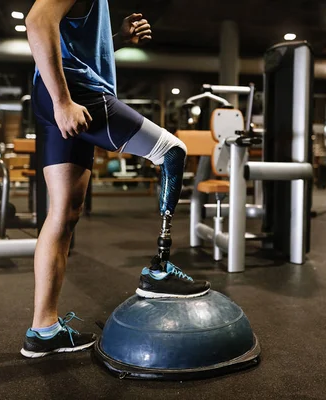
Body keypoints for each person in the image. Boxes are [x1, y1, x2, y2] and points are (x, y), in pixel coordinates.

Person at [21, 0, 210, 358]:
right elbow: (37, 21)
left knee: (65, 212)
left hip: (56, 91)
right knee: (172, 151)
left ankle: (43, 330)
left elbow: (74, 40)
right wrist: (63, 101)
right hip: (76, 91)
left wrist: (117, 39)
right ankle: (158, 268)